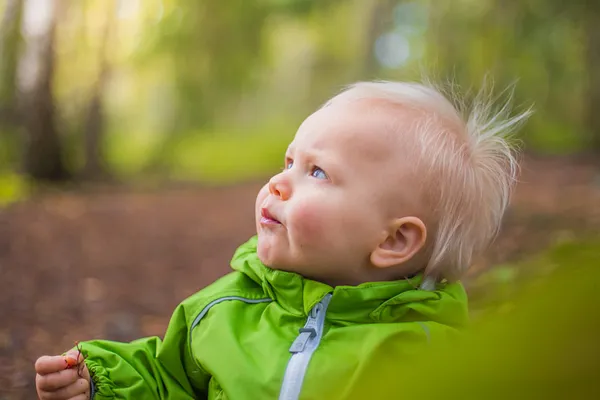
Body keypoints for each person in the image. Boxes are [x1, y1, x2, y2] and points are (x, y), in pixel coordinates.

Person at [34, 79, 531, 400]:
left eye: (317, 172)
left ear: (395, 241)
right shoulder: (224, 307)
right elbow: (170, 381)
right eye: (289, 160)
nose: (279, 181)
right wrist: (100, 381)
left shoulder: (426, 356)